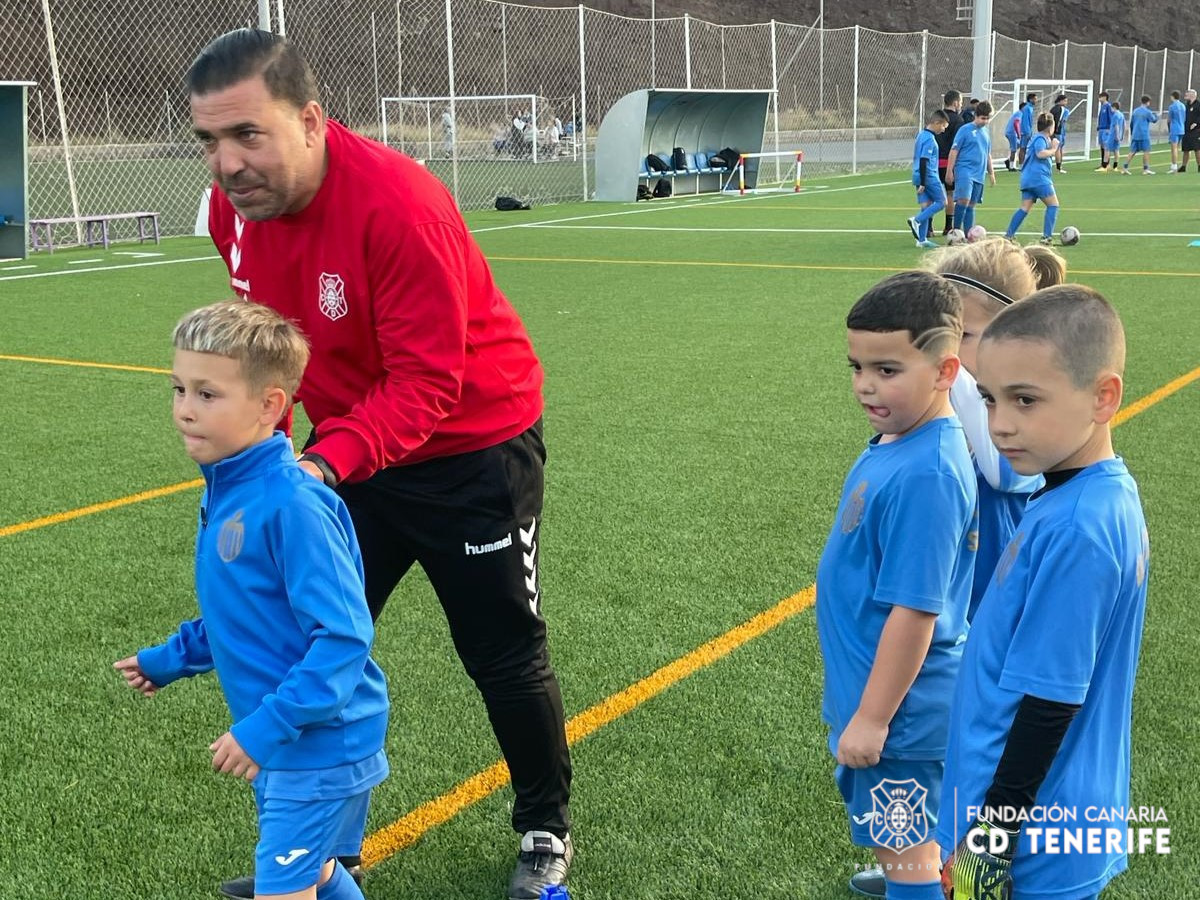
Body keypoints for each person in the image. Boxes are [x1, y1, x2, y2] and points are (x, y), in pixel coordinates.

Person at [188, 29, 574, 900]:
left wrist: (314, 473)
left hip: (474, 450)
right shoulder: (230, 214)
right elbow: (275, 357)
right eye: (210, 141)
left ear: (313, 120)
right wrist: (266, 457)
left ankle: (545, 828)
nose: (229, 164)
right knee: (305, 641)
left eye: (249, 134)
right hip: (343, 456)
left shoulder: (401, 207)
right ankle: (318, 855)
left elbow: (429, 382)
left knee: (501, 651)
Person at [115, 300, 389, 900]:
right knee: (315, 870)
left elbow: (343, 637)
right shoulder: (228, 489)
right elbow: (242, 615)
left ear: (270, 407)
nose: (185, 411)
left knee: (284, 887)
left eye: (207, 395)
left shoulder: (291, 505)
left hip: (317, 742)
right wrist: (168, 659)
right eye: (179, 389)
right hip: (288, 738)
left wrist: (267, 728)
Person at [938, 285, 1149, 900]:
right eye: (988, 398)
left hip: (1030, 834)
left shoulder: (1079, 525)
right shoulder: (1087, 492)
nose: (1000, 424)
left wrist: (989, 844)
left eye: (1025, 400)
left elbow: (1047, 703)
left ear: (1103, 397)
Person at [820, 271, 977, 900]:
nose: (865, 385)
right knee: (908, 840)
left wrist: (874, 718)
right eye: (857, 366)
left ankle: (912, 882)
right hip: (883, 696)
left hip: (904, 716)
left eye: (887, 369)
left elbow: (915, 613)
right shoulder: (898, 438)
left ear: (945, 372)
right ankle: (915, 873)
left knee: (905, 847)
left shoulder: (929, 471)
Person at [924, 239, 1049, 621]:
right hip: (955, 588)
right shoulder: (959, 397)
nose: (948, 350)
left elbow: (1003, 474)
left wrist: (954, 376)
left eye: (963, 336)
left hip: (1000, 596)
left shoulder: (1034, 402)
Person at [1003, 113, 1061, 245]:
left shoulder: (1036, 137)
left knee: (1024, 208)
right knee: (1053, 205)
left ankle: (1009, 235)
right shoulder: (1041, 138)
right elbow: (1040, 153)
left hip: (1027, 178)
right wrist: (1054, 148)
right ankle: (1047, 237)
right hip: (1039, 178)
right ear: (1050, 127)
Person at [945, 100, 996, 235]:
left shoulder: (985, 133)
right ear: (976, 115)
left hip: (979, 174)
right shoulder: (965, 130)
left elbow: (987, 153)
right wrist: (950, 171)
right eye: (983, 118)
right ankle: (955, 233)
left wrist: (991, 172)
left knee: (972, 204)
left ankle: (968, 234)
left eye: (988, 118)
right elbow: (954, 150)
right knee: (963, 200)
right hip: (964, 170)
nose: (985, 121)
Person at [907, 109, 950, 249]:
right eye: (943, 126)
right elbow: (925, 160)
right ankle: (916, 220)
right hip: (929, 175)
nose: (943, 130)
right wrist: (925, 182)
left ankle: (921, 239)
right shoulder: (930, 140)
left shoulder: (921, 135)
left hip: (917, 175)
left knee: (926, 206)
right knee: (942, 202)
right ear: (936, 123)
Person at [936, 90, 965, 235]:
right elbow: (957, 144)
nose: (961, 104)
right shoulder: (958, 120)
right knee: (950, 193)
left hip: (934, 161)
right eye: (960, 102)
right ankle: (948, 226)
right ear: (955, 103)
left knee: (932, 194)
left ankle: (928, 228)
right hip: (949, 162)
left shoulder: (936, 116)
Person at [1122, 95, 1158, 174]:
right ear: (1148, 102)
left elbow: (1131, 123)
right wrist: (1156, 115)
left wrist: (1132, 133)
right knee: (1146, 151)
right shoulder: (1147, 112)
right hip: (1144, 134)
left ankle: (1124, 167)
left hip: (1135, 134)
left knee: (1132, 152)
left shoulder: (1135, 111)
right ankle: (1145, 169)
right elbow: (1154, 120)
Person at [1102, 101, 1126, 172]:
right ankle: (1115, 167)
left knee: (1107, 149)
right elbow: (1124, 125)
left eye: (1111, 108)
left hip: (1113, 135)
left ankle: (1105, 166)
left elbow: (1116, 126)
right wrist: (1122, 135)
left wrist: (1117, 135)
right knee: (1116, 150)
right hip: (1118, 135)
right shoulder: (1121, 115)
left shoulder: (1115, 115)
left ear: (1114, 107)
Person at [1179, 89, 1200, 171]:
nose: (1185, 95)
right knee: (1186, 149)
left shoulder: (1198, 105)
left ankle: (1199, 165)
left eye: (1187, 94)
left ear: (1192, 95)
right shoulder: (1185, 105)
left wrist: (1196, 123)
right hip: (1186, 130)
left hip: (1196, 130)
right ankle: (1183, 166)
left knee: (1197, 148)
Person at [1049, 94, 1070, 172]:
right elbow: (1058, 121)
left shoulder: (1053, 109)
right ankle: (1059, 167)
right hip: (1057, 132)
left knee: (1055, 148)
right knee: (1057, 149)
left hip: (1053, 131)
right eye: (1065, 101)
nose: (1066, 102)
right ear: (1060, 101)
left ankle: (1057, 165)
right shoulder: (1061, 109)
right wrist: (1055, 131)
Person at [1166, 89, 1186, 171]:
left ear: (1172, 97)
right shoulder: (1183, 106)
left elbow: (1169, 119)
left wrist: (1169, 128)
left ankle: (1174, 166)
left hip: (1174, 129)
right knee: (1177, 148)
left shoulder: (1172, 106)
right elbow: (1184, 118)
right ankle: (1175, 164)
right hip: (1182, 128)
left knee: (1173, 148)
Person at [1017, 92, 1038, 168]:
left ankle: (1024, 164)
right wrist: (1027, 132)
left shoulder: (1030, 108)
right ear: (1030, 99)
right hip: (1026, 132)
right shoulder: (1027, 108)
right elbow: (1025, 121)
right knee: (1023, 148)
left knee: (1025, 148)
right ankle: (1021, 165)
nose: (1036, 100)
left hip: (1028, 131)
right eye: (1035, 99)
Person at [1094, 91, 1113, 171]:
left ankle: (1105, 165)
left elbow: (1111, 118)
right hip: (1101, 129)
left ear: (1104, 97)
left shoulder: (1108, 106)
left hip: (1106, 129)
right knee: (1102, 146)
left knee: (1106, 146)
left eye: (1100, 97)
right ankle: (1104, 163)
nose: (1099, 99)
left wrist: (1110, 128)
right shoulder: (1102, 106)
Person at [1004, 105, 1022, 172]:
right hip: (1012, 133)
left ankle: (1008, 160)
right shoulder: (1020, 113)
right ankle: (1011, 167)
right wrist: (1018, 134)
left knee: (1019, 145)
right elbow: (1016, 123)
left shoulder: (1018, 113)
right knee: (1014, 149)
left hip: (1010, 132)